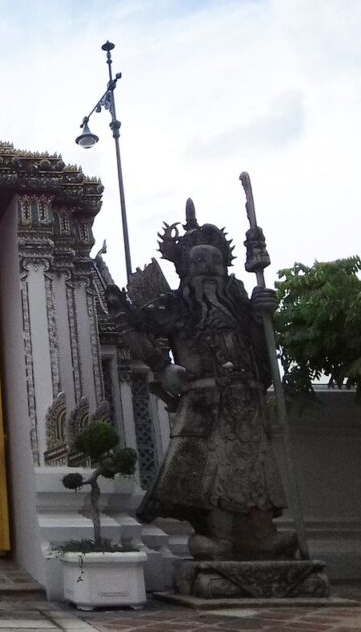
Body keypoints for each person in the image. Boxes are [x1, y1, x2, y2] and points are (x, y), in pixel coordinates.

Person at [107, 203, 296, 560]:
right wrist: (162, 366)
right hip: (204, 404)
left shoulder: (240, 304)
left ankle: (261, 534)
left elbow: (262, 350)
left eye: (215, 261)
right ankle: (218, 536)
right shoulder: (177, 306)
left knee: (255, 468)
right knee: (212, 473)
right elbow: (133, 327)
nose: (208, 268)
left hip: (246, 402)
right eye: (198, 262)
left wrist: (263, 314)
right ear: (184, 268)